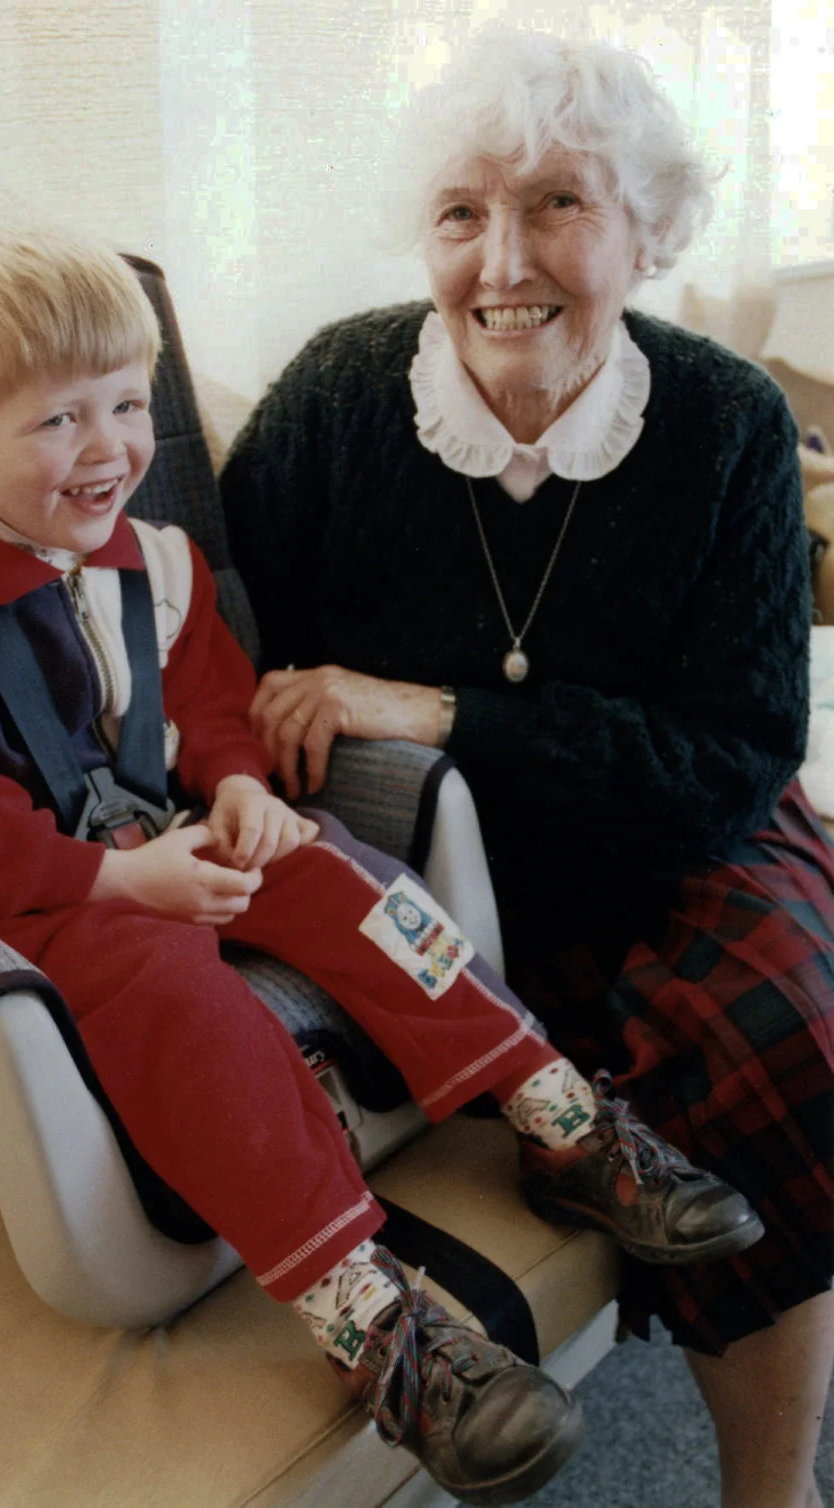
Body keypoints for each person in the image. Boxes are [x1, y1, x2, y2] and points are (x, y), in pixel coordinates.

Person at [0, 222, 766, 1507]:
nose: (110, 449)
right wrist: (118, 883)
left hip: (177, 835)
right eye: (58, 422)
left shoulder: (156, 563)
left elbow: (212, 703)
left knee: (344, 872)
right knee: (171, 991)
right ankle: (368, 1315)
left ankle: (557, 1113)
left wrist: (234, 788)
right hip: (51, 901)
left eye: (125, 404)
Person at [219, 30, 834, 1508]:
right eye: (461, 213)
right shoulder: (341, 397)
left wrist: (441, 714)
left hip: (682, 833)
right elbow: (224, 659)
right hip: (415, 853)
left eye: (559, 204)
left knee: (787, 1040)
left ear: (646, 227)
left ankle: (771, 1488)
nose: (504, 259)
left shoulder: (729, 426)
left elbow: (736, 757)